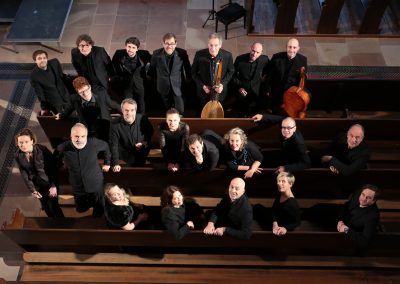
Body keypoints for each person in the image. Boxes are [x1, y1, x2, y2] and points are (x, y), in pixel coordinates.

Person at [55, 123, 111, 217]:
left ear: (86, 136)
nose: (80, 139)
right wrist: (61, 165)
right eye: (76, 136)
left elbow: (105, 146)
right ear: (71, 136)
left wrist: (107, 163)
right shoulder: (63, 147)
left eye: (83, 136)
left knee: (99, 209)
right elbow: (55, 160)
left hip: (95, 184)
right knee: (80, 210)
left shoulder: (93, 143)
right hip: (78, 186)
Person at [14, 128, 64, 218]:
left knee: (54, 207)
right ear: (17, 143)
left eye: (26, 141)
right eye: (20, 142)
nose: (23, 145)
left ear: (32, 141)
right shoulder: (18, 155)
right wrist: (32, 189)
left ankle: (63, 226)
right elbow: (24, 172)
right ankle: (53, 226)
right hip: (37, 184)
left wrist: (53, 186)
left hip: (49, 182)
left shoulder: (42, 150)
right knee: (46, 207)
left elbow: (53, 168)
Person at [55, 76, 121, 142]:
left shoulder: (101, 94)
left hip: (105, 127)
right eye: (81, 92)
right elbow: (68, 109)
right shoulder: (74, 99)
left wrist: (125, 110)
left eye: (86, 90)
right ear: (77, 92)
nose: (85, 94)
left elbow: (113, 104)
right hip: (89, 131)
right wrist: (60, 115)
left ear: (89, 87)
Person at [148, 33, 191, 114]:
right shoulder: (156, 54)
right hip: (163, 86)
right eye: (167, 43)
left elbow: (187, 67)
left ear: (175, 44)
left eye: (172, 44)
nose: (169, 46)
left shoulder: (182, 53)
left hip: (177, 86)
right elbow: (152, 70)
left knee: (180, 110)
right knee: (167, 109)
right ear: (163, 44)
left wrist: (188, 78)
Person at [191, 33, 235, 110]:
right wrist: (202, 86)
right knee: (204, 110)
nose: (213, 48)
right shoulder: (199, 55)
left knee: (218, 111)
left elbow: (231, 71)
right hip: (204, 91)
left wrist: (222, 84)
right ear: (208, 44)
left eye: (216, 45)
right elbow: (193, 73)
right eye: (211, 45)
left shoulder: (227, 55)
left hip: (220, 92)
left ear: (220, 45)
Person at [266, 38, 308, 113]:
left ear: (298, 48)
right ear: (286, 47)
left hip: (291, 93)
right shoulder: (276, 57)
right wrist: (268, 90)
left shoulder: (303, 60)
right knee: (275, 111)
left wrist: (298, 92)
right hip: (276, 91)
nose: (291, 50)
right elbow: (269, 75)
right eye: (290, 47)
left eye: (294, 47)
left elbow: (303, 79)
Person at [110, 99, 154, 170]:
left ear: (135, 111)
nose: (129, 113)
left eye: (132, 110)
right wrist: (115, 163)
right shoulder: (114, 123)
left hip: (142, 153)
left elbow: (150, 132)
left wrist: (143, 143)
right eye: (126, 110)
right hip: (125, 155)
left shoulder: (143, 119)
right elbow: (113, 145)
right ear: (122, 111)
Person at [112, 36, 151, 114]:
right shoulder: (118, 54)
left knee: (141, 104)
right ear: (125, 46)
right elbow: (112, 66)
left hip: (139, 84)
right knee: (127, 104)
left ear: (137, 49)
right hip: (127, 85)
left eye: (133, 47)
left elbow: (154, 61)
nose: (130, 49)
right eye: (129, 47)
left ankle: (142, 120)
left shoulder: (144, 55)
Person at [337, 184, 381, 250]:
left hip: (349, 236)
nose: (363, 199)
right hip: (342, 220)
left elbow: (364, 242)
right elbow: (346, 206)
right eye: (363, 195)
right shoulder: (358, 194)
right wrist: (340, 221)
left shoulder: (372, 217)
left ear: (373, 201)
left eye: (368, 198)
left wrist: (346, 229)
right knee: (317, 208)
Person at [233, 42, 269, 117]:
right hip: (243, 89)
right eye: (253, 51)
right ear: (250, 48)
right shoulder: (240, 59)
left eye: (257, 52)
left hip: (257, 90)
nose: (254, 54)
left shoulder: (264, 59)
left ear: (261, 53)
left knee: (256, 112)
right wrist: (239, 88)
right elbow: (233, 76)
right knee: (241, 112)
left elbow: (268, 70)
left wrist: (264, 77)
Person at [30, 50, 71, 115]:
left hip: (64, 92)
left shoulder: (55, 62)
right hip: (54, 99)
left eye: (44, 58)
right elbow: (40, 94)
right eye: (39, 59)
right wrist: (44, 108)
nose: (42, 60)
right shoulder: (34, 75)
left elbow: (61, 76)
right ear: (35, 61)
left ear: (47, 59)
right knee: (64, 115)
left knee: (76, 108)